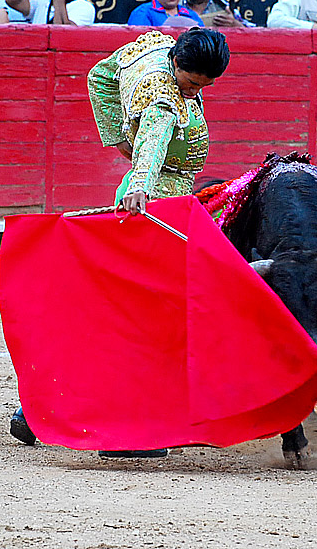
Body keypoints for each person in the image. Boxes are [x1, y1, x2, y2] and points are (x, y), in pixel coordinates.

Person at [85, 28, 230, 457]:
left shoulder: (154, 50)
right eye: (192, 82)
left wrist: (116, 141)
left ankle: (54, 409)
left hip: (159, 200)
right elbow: (153, 139)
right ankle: (129, 430)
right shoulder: (164, 100)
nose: (196, 91)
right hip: (159, 206)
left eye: (204, 86)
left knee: (136, 311)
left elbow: (99, 75)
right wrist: (140, 180)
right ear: (178, 66)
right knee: (152, 318)